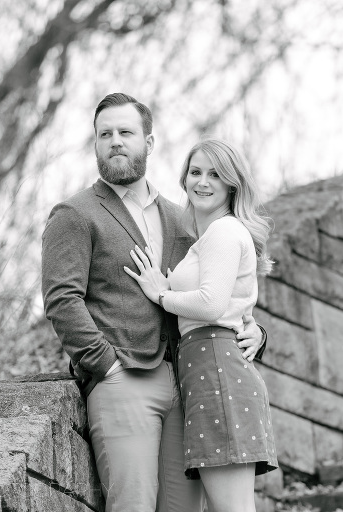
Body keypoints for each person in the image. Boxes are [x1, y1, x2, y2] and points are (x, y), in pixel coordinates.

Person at [41, 93, 266, 512]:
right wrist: (104, 364)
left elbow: (219, 286)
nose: (115, 142)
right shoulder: (75, 214)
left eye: (126, 132)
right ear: (95, 144)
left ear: (149, 142)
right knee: (134, 506)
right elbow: (60, 299)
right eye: (104, 134)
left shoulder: (182, 218)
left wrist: (255, 330)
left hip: (189, 383)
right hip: (123, 380)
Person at [125, 138, 277, 512]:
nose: (203, 182)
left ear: (232, 184)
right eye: (195, 172)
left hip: (218, 374)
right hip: (210, 372)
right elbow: (234, 305)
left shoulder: (225, 232)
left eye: (215, 174)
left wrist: (161, 294)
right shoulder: (210, 236)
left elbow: (211, 304)